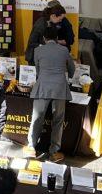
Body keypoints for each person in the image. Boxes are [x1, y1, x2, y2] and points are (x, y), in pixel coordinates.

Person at [25, 30, 74, 161]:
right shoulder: (64, 50)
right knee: (58, 120)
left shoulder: (38, 51)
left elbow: (38, 70)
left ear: (44, 38)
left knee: (37, 117)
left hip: (43, 87)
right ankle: (54, 152)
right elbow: (72, 68)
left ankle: (31, 147)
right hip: (59, 88)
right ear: (57, 38)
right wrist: (70, 76)